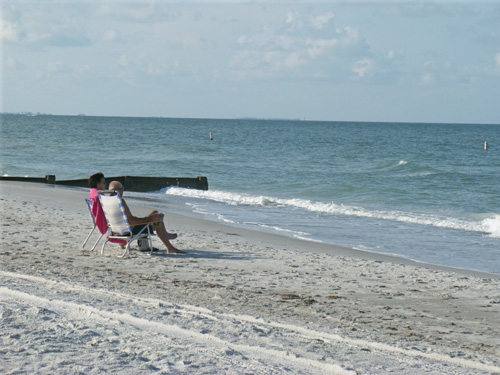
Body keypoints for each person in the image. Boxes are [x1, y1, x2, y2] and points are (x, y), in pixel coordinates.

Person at [108, 180, 183, 254]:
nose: (122, 191)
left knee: (154, 212)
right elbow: (131, 221)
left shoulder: (107, 202)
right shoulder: (120, 202)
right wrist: (150, 219)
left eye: (122, 188)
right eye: (120, 189)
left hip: (117, 231)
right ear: (114, 191)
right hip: (128, 231)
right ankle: (170, 248)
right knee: (158, 222)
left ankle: (166, 234)